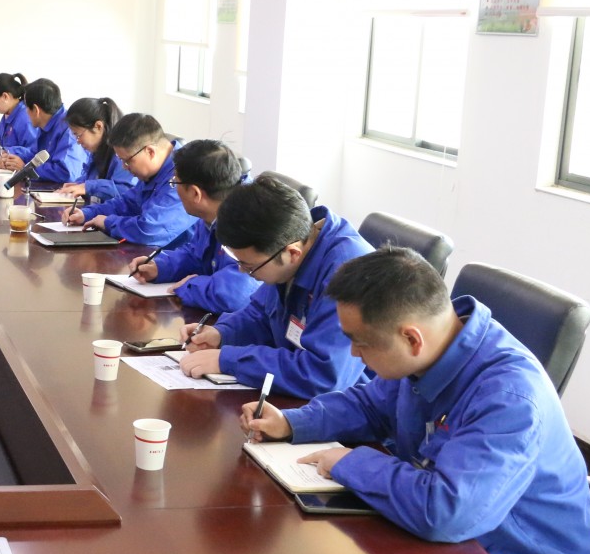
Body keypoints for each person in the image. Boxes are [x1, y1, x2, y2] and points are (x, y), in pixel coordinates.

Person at [240, 247, 590, 554]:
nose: (353, 352)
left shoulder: (509, 398)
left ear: (412, 339)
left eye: (360, 342)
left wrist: (351, 463)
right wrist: (292, 422)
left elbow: (446, 511)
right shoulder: (432, 350)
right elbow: (371, 405)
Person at [180, 174, 372, 396]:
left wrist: (228, 360)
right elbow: (262, 314)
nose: (242, 271)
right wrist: (222, 334)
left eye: (250, 266)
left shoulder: (349, 274)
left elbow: (323, 375)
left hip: (345, 404)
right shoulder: (289, 241)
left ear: (292, 253)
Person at [124, 139, 259, 313]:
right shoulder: (215, 209)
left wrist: (190, 286)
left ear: (195, 193)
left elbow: (234, 294)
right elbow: (196, 254)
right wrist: (160, 267)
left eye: (175, 182)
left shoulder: (248, 220)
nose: (174, 188)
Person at [61, 113, 196, 247]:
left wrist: (108, 222)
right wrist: (87, 213)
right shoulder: (153, 170)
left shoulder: (182, 175)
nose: (124, 167)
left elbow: (149, 230)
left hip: (173, 256)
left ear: (150, 152)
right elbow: (127, 203)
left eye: (127, 161)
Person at [0, 78, 88, 184]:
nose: (25, 112)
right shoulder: (46, 125)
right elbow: (34, 154)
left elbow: (66, 173)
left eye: (27, 108)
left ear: (36, 110)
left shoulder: (69, 130)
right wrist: (10, 155)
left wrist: (26, 169)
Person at [54, 96, 135, 203]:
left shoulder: (122, 153)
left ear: (98, 126)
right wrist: (78, 185)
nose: (78, 141)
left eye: (78, 135)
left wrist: (87, 187)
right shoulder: (99, 150)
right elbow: (93, 179)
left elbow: (125, 190)